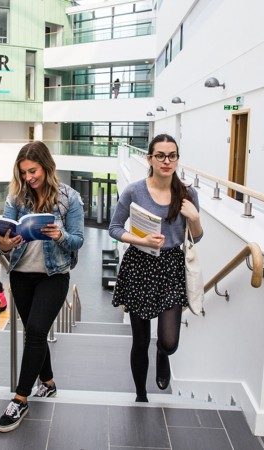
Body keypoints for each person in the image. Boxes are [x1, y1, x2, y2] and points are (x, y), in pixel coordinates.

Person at [0, 141, 84, 432]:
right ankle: (48, 383)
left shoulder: (71, 198)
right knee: (35, 331)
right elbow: (2, 239)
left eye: (33, 171)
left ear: (46, 166)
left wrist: (59, 235)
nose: (29, 177)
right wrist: (3, 243)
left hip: (54, 275)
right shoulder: (16, 198)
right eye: (24, 172)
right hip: (20, 274)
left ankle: (20, 398)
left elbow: (78, 240)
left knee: (34, 332)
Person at [108, 134, 203, 403]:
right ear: (149, 158)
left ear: (177, 159)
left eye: (172, 155)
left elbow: (197, 236)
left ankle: (163, 353)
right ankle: (140, 395)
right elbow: (114, 228)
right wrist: (140, 240)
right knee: (139, 340)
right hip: (139, 266)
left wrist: (194, 218)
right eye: (160, 155)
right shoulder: (134, 191)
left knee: (170, 341)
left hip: (171, 267)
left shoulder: (188, 194)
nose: (166, 161)